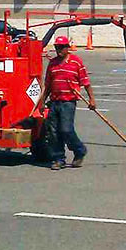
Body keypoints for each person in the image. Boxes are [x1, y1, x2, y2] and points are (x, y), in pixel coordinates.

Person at [36, 35, 96, 170]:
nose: (59, 50)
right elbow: (48, 85)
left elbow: (85, 82)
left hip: (68, 102)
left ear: (67, 48)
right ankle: (58, 159)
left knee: (66, 130)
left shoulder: (76, 62)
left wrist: (91, 99)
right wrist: (42, 102)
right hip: (54, 101)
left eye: (62, 47)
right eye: (57, 47)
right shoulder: (52, 63)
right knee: (53, 132)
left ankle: (79, 150)